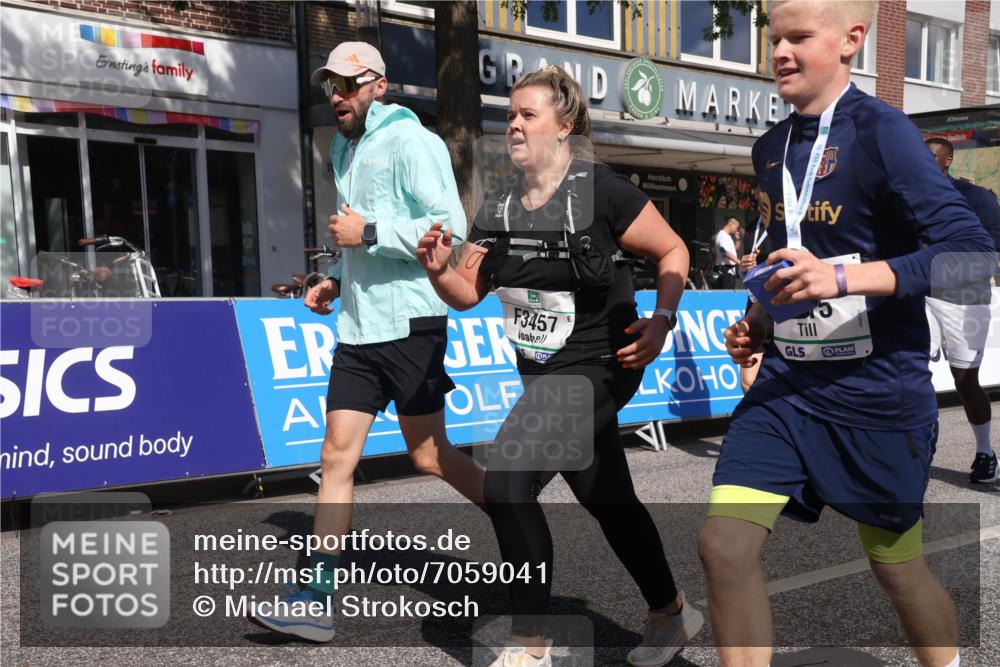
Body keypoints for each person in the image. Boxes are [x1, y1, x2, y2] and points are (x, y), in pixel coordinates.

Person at [698, 3, 996, 667]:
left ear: (851, 41)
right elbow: (792, 250)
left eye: (799, 37)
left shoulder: (884, 133)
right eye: (774, 38)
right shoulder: (770, 148)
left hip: (877, 395)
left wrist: (849, 279)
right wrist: (757, 322)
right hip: (787, 388)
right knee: (722, 544)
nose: (780, 52)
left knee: (897, 568)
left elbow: (973, 252)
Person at [416, 66, 700, 667]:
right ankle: (670, 612)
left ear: (563, 125)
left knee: (507, 480)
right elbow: (469, 293)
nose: (514, 125)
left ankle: (529, 646)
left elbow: (673, 248)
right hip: (543, 375)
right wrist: (440, 269)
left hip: (602, 362)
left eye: (527, 115)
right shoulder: (498, 204)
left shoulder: (602, 191)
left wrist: (664, 318)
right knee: (609, 499)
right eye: (511, 115)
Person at [249, 41, 484, 642]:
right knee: (335, 456)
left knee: (429, 456)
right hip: (358, 326)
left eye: (349, 84)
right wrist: (334, 278)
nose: (337, 95)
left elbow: (451, 228)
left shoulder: (414, 141)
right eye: (331, 83)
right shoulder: (341, 147)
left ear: (379, 85)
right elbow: (356, 243)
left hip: (410, 323)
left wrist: (370, 231)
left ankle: (518, 521)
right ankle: (318, 598)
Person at [924, 137, 1000, 483]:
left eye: (932, 156)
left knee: (965, 379)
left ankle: (985, 451)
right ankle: (918, 448)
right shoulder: (903, 196)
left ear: (948, 160)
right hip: (918, 293)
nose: (923, 161)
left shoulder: (976, 199)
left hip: (964, 295)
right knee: (912, 371)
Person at [738, 187, 771, 392]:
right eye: (759, 190)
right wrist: (743, 267)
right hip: (753, 305)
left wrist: (763, 264)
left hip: (778, 306)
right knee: (747, 382)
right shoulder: (751, 227)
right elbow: (744, 272)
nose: (761, 194)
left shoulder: (785, 227)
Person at [713, 217, 740, 288]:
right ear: (731, 224)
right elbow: (725, 252)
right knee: (725, 294)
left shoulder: (727, 236)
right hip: (724, 269)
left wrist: (737, 240)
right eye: (736, 227)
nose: (737, 230)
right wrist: (739, 262)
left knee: (729, 293)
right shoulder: (722, 235)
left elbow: (734, 250)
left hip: (729, 271)